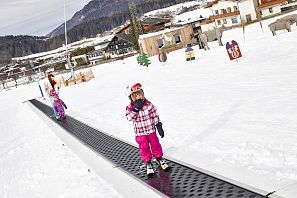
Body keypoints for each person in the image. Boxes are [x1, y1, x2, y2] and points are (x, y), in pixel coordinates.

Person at [125, 83, 169, 175]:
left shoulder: (148, 104)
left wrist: (159, 125)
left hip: (151, 131)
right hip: (140, 133)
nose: (138, 96)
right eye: (135, 95)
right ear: (131, 97)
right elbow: (129, 118)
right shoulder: (130, 107)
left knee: (155, 144)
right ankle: (148, 162)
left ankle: (158, 157)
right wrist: (135, 109)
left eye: (139, 94)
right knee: (144, 147)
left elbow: (154, 115)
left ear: (142, 94)